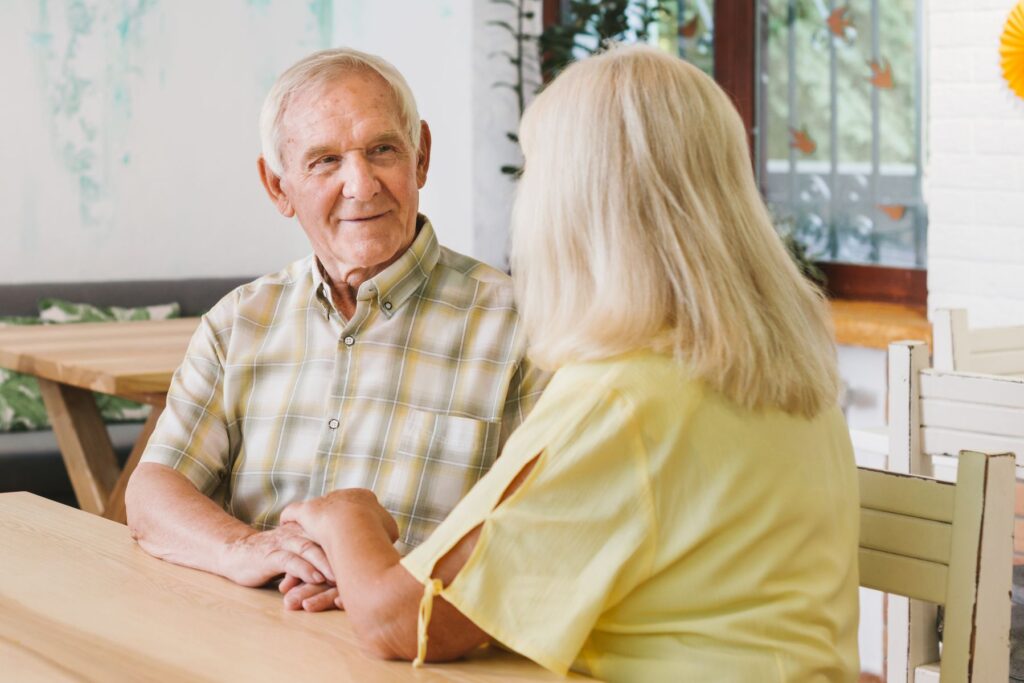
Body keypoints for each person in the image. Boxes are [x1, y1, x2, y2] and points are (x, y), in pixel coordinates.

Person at [279, 44, 860, 682]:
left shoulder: (623, 398)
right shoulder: (778, 369)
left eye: (535, 173)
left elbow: (405, 620)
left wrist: (346, 517)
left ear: (578, 205)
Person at [124, 48, 547, 611]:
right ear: (277, 186)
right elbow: (153, 492)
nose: (362, 184)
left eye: (382, 150)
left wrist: (384, 582)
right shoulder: (238, 322)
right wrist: (247, 547)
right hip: (244, 646)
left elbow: (548, 532)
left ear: (420, 156)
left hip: (425, 648)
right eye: (325, 161)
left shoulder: (526, 325)